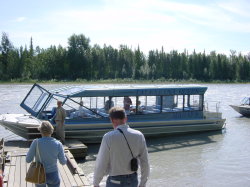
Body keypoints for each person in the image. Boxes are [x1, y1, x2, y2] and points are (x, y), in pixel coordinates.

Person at [93, 107, 150, 187]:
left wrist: (96, 182)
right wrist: (143, 183)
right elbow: (145, 162)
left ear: (111, 120)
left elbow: (102, 162)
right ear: (125, 119)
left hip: (115, 181)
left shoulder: (108, 137)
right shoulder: (139, 135)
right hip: (133, 180)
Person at [26, 121, 67, 187]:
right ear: (52, 131)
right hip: (53, 174)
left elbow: (28, 160)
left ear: (40, 131)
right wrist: (65, 157)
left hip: (39, 173)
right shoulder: (58, 144)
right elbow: (63, 162)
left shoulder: (35, 142)